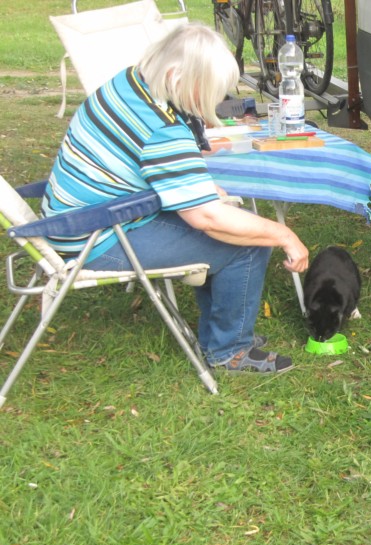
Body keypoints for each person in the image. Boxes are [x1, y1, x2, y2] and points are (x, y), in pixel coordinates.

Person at [43, 23, 309, 374]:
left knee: (232, 225)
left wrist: (196, 189)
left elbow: (145, 165)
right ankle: (229, 350)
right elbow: (207, 219)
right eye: (210, 90)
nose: (214, 102)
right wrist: (284, 235)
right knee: (248, 243)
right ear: (176, 76)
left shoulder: (130, 81)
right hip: (94, 236)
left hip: (76, 217)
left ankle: (220, 334)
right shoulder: (163, 126)